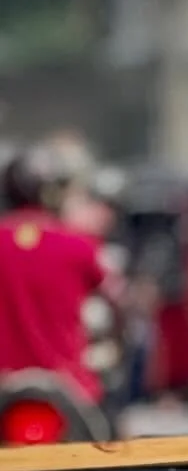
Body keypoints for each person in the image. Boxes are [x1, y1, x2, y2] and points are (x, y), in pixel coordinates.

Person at [0, 149, 112, 408]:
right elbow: (112, 302)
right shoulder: (80, 246)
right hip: (71, 388)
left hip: (3, 387)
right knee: (114, 442)